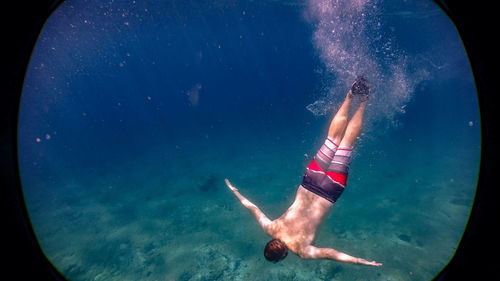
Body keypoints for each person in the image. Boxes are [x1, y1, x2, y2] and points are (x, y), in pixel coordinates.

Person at [225, 76, 382, 266]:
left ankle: (364, 100)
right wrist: (236, 192)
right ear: (270, 243)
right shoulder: (271, 228)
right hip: (310, 182)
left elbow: (331, 253)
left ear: (283, 255)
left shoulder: (302, 251)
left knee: (346, 145)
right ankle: (351, 95)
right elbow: (252, 208)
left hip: (330, 191)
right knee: (332, 139)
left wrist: (360, 261)